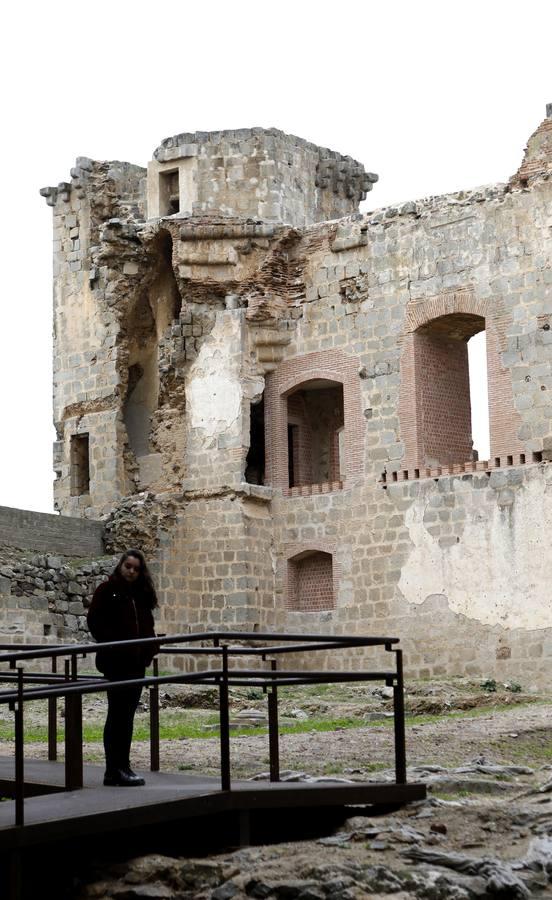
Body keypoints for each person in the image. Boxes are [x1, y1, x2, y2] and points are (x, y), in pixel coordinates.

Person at [87, 549, 158, 786]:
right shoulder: (107, 590)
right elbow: (95, 622)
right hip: (117, 663)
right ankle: (114, 769)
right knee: (117, 715)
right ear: (120, 566)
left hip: (136, 664)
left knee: (126, 717)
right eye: (128, 566)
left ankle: (122, 767)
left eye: (136, 568)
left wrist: (149, 649)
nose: (131, 571)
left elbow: (147, 625)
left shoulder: (141, 594)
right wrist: (114, 645)